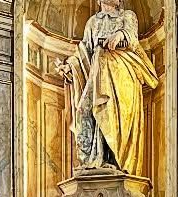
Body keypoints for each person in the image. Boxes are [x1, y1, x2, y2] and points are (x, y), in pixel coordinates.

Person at [55, 0, 160, 175]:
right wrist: (69, 67)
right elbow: (84, 52)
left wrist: (120, 35)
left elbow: (132, 38)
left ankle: (115, 162)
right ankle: (95, 161)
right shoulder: (92, 23)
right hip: (96, 77)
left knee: (112, 115)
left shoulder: (127, 16)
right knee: (84, 112)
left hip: (121, 73)